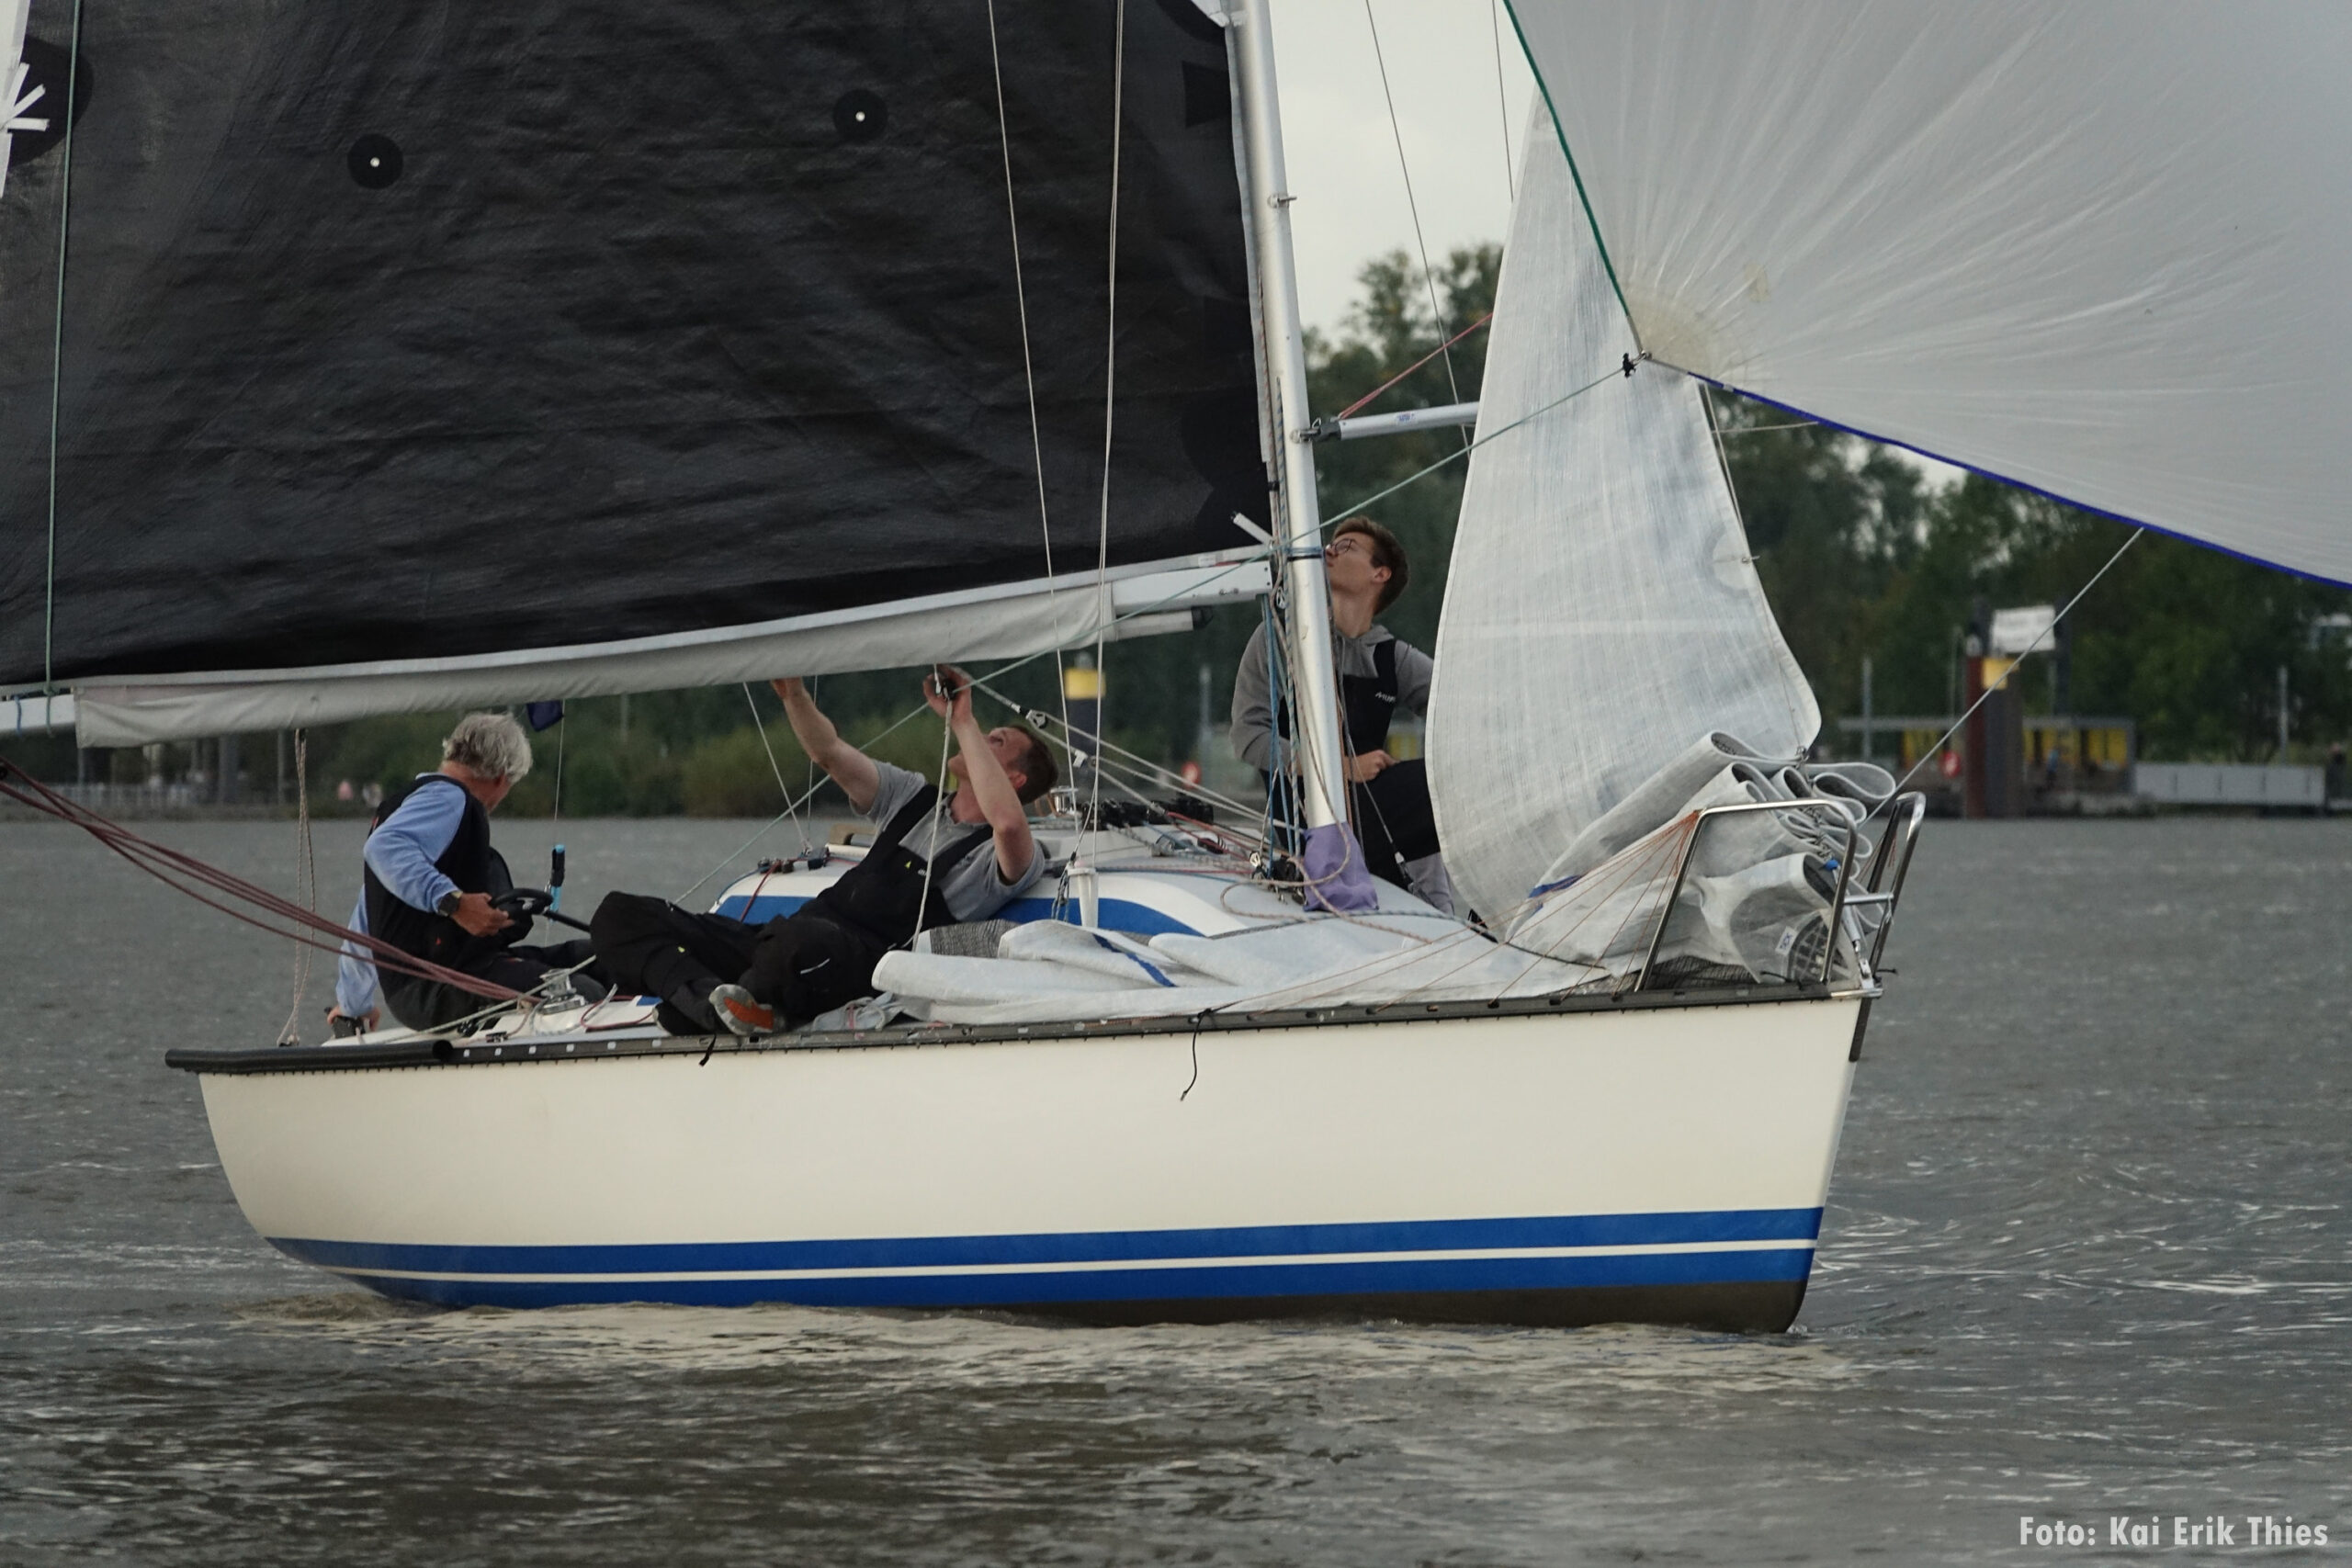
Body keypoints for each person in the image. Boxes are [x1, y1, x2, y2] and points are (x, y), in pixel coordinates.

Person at [589, 665, 1056, 1036]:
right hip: (788, 943)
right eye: (983, 733)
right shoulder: (912, 796)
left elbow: (1007, 821)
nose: (980, 739)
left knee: (799, 943)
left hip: (852, 966)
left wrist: (963, 720)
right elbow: (829, 752)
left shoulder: (1014, 854)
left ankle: (725, 1004)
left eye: (996, 741)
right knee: (621, 914)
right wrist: (793, 693)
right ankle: (714, 1003)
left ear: (1015, 780)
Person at [1229, 515, 1453, 911]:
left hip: (1373, 819)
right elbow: (1248, 737)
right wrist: (1343, 767)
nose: (1329, 550)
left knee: (1455, 779)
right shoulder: (1280, 637)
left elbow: (1458, 705)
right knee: (1437, 785)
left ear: (1380, 574)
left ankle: (1466, 917)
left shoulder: (1392, 658)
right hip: (1306, 823)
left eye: (1347, 546)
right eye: (1332, 543)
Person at [330, 712, 602, 1033]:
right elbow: (382, 847)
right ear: (501, 777)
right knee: (582, 989)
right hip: (436, 987)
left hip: (441, 982)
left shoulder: (408, 804)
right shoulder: (449, 798)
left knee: (599, 957)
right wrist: (455, 903)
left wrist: (353, 1004)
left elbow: (370, 912)